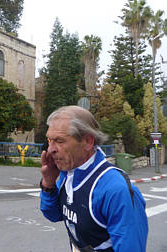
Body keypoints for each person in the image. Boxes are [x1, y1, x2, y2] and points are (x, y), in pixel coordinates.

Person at [39, 106, 148, 252]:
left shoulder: (115, 189)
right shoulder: (68, 173)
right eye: (49, 140)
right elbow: (55, 215)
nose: (51, 149)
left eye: (59, 141)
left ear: (88, 141)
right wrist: (48, 183)